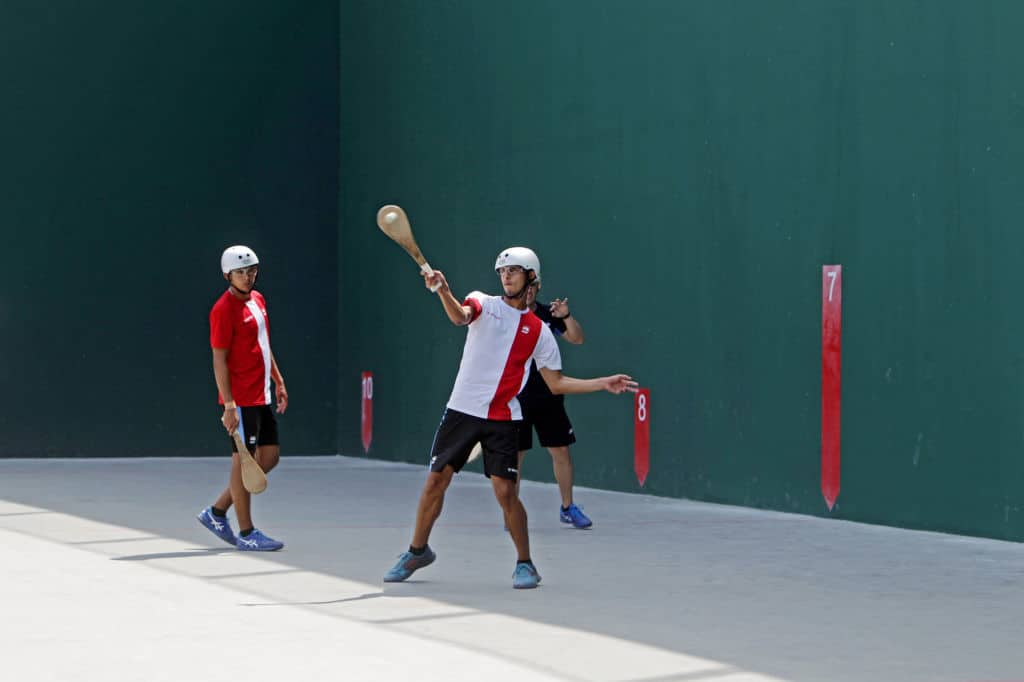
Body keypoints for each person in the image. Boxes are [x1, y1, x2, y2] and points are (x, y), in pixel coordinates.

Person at [383, 247, 637, 589]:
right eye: (502, 271)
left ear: (531, 277)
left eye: (514, 271)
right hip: (461, 411)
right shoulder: (483, 304)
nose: (506, 276)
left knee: (505, 493)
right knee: (435, 482)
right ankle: (417, 551)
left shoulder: (539, 331)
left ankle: (525, 563)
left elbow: (556, 382)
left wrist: (601, 383)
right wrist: (443, 289)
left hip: (503, 419)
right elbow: (460, 316)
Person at [196, 245, 288, 552]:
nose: (248, 277)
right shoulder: (222, 310)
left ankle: (217, 511)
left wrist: (278, 379)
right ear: (227, 275)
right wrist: (229, 404)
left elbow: (264, 345)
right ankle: (247, 533)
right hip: (241, 400)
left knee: (269, 458)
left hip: (261, 394)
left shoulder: (258, 299)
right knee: (242, 464)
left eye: (251, 271)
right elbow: (219, 360)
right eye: (240, 273)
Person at [514, 277, 593, 529]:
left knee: (561, 452)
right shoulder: (504, 315)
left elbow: (577, 338)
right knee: (515, 454)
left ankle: (568, 507)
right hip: (516, 396)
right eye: (523, 287)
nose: (527, 292)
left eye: (531, 287)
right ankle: (511, 510)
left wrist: (566, 316)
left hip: (550, 395)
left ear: (537, 288)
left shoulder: (550, 314)